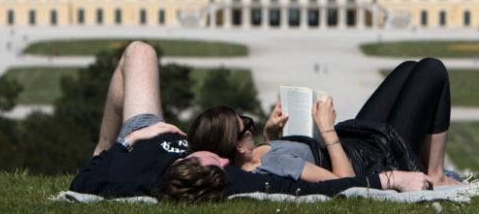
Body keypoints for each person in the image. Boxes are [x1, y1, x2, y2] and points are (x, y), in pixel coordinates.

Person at [70, 41, 433, 202]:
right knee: (423, 73)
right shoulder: (231, 178)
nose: (219, 156)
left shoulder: (125, 173)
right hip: (149, 137)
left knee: (139, 52)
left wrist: (126, 143)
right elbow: (316, 190)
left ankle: (102, 143)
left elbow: (83, 180)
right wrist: (388, 179)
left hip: (140, 135)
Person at [189, 57, 461, 187]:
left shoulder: (251, 159)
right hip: (377, 158)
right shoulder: (272, 164)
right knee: (431, 70)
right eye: (246, 125)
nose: (250, 125)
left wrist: (270, 134)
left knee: (408, 69)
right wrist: (326, 127)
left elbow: (278, 158)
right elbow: (344, 181)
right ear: (237, 147)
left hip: (355, 143)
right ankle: (435, 174)